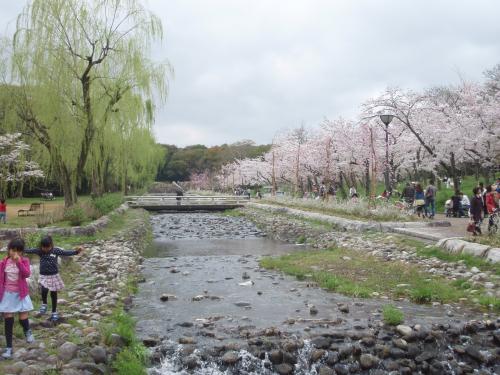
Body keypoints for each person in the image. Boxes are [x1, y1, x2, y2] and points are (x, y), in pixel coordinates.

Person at [25, 236, 83, 322]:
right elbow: (30, 250)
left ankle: (54, 311)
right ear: (41, 246)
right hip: (43, 275)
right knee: (44, 290)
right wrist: (20, 249)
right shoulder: (40, 251)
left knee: (53, 294)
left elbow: (65, 252)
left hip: (53, 275)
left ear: (51, 245)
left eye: (47, 247)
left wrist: (75, 252)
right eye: (43, 247)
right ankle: (44, 303)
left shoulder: (56, 250)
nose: (45, 249)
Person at [0, 238, 34, 359]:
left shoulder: (24, 260)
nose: (15, 254)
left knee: (23, 318)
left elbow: (27, 274)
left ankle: (27, 331)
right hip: (7, 295)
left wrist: (19, 262)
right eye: (13, 250)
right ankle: (9, 348)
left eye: (18, 251)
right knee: (8, 321)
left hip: (21, 294)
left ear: (22, 252)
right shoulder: (4, 262)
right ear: (9, 250)